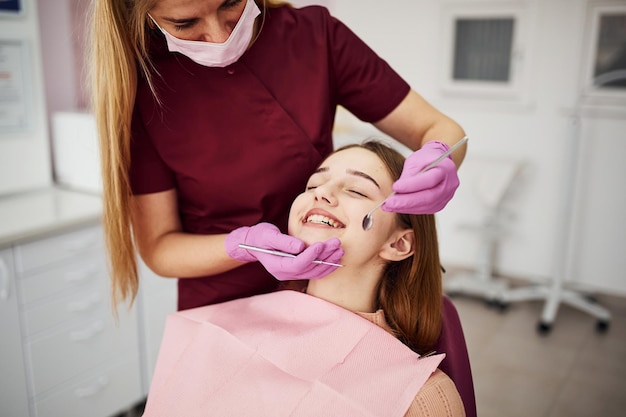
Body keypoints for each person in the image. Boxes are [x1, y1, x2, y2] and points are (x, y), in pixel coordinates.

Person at [89, 0, 467, 312]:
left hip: (332, 297)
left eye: (231, 4)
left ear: (399, 244)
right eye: (185, 23)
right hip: (223, 309)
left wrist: (441, 157)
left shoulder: (313, 37)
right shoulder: (143, 89)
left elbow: (440, 129)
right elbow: (159, 247)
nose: (220, 38)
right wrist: (243, 245)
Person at [141, 141, 465, 417]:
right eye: (312, 185)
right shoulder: (218, 330)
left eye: (355, 189)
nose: (321, 193)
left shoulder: (421, 396)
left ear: (399, 244)